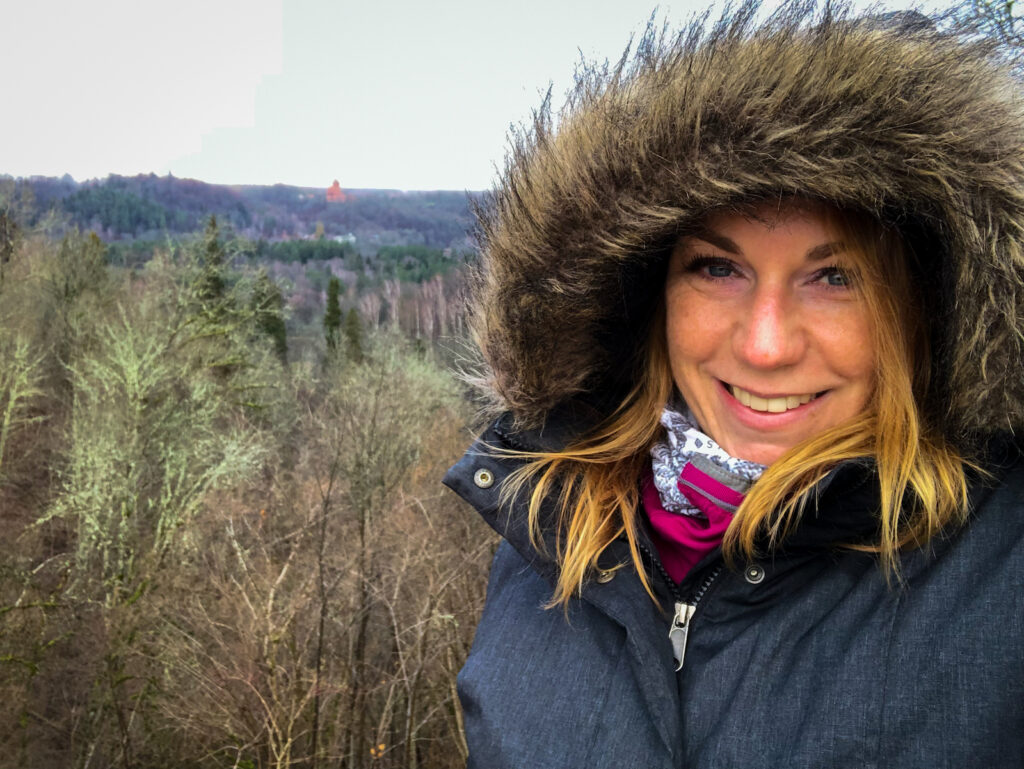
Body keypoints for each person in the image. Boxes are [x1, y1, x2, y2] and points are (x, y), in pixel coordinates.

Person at [442, 4, 1024, 768]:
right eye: (717, 267)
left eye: (835, 276)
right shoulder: (550, 518)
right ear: (652, 292)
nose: (765, 343)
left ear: (921, 310)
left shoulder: (999, 561)